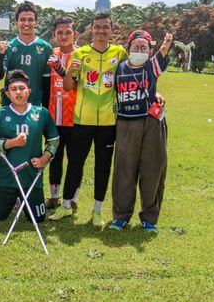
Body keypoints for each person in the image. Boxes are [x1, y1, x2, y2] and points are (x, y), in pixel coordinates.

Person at [49, 13, 127, 227]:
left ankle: (97, 210)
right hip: (82, 120)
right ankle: (66, 206)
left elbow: (131, 77)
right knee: (75, 163)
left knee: (103, 166)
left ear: (112, 29)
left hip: (108, 122)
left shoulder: (119, 53)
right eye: (98, 27)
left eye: (106, 27)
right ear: (91, 29)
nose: (101, 31)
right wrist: (69, 73)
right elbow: (68, 86)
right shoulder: (81, 53)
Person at [109, 31, 173, 232]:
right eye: (135, 48)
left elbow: (163, 51)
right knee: (124, 170)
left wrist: (167, 42)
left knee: (152, 169)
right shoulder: (119, 69)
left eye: (143, 48)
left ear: (150, 51)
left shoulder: (151, 67)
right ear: (128, 49)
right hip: (126, 123)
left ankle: (149, 218)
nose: (139, 51)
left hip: (152, 122)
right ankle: (121, 216)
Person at [0, 70, 59, 223]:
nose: (18, 92)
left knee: (38, 218)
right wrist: (12, 143)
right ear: (7, 93)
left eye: (22, 88)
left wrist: (44, 158)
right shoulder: (0, 114)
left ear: (29, 91)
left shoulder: (41, 113)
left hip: (31, 177)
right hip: (5, 178)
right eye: (13, 89)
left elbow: (54, 139)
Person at [45, 17, 80, 210]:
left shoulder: (82, 55)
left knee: (75, 160)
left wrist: (60, 69)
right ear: (54, 35)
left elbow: (77, 84)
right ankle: (54, 197)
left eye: (68, 32)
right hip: (53, 118)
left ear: (75, 34)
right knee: (54, 158)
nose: (64, 36)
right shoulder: (51, 54)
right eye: (60, 32)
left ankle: (73, 199)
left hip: (75, 118)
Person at [0, 1, 52, 107]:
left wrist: (46, 108)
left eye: (30, 19)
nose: (26, 23)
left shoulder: (46, 48)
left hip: (34, 106)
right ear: (16, 22)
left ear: (36, 22)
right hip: (10, 106)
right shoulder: (9, 47)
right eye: (22, 19)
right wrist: (0, 55)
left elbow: (46, 82)